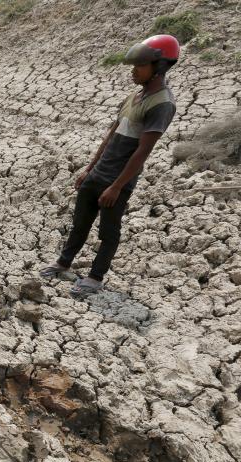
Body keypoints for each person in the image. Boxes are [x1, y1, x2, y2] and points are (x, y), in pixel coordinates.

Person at [40, 35, 180, 296]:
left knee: (108, 231)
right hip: (99, 173)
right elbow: (111, 135)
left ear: (159, 67)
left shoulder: (163, 104)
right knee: (80, 223)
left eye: (140, 66)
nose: (133, 71)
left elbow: (142, 151)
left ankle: (95, 278)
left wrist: (117, 186)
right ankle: (63, 263)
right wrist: (89, 168)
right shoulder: (134, 97)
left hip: (119, 180)